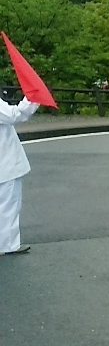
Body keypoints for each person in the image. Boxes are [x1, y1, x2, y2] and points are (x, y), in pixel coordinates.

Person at [0, 95, 40, 255]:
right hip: (5, 163)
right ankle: (7, 244)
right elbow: (14, 115)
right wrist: (33, 98)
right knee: (8, 206)